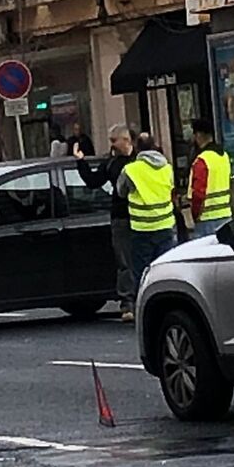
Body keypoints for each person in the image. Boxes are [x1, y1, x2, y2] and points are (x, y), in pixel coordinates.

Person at [74, 124, 136, 321]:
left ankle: (143, 299)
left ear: (125, 140)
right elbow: (93, 181)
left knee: (143, 260)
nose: (111, 145)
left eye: (113, 141)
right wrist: (81, 161)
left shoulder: (140, 161)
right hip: (121, 217)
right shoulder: (111, 163)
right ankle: (127, 304)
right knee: (125, 262)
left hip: (144, 217)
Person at [117, 133, 176, 323]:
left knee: (142, 273)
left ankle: (145, 311)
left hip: (141, 228)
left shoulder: (131, 170)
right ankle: (167, 307)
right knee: (165, 270)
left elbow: (121, 191)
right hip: (166, 226)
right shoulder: (167, 168)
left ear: (137, 148)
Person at [187, 119, 233, 238]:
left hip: (207, 220)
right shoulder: (223, 156)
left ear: (198, 135)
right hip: (226, 215)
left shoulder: (202, 160)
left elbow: (198, 193)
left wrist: (195, 214)